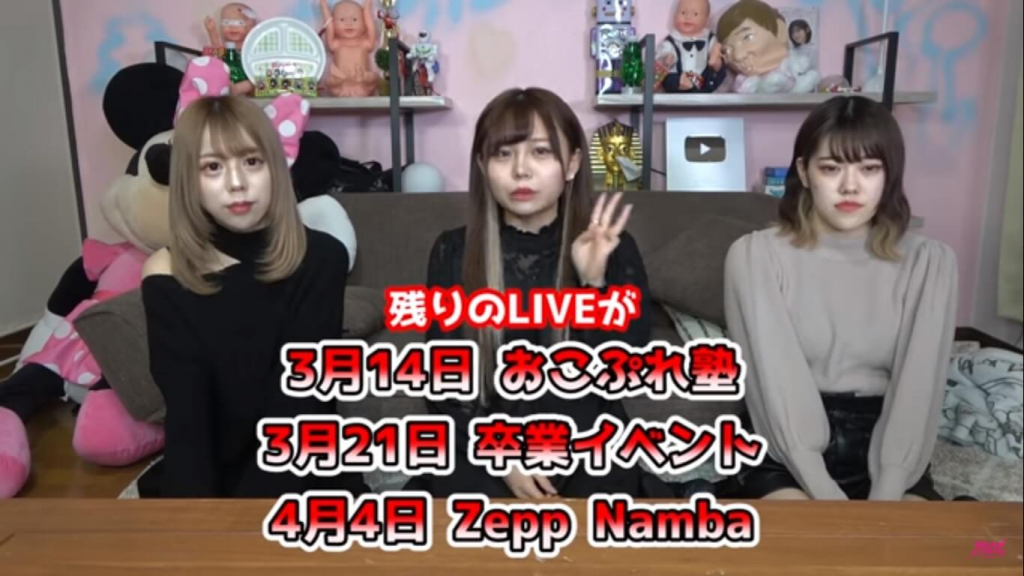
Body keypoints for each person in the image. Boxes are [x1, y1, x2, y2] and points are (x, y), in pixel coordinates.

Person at [405, 87, 708, 499]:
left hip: (585, 442)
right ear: (482, 165)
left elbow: (623, 372)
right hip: (485, 446)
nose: (521, 171)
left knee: (600, 516)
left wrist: (593, 284)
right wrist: (502, 456)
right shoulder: (453, 251)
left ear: (573, 164)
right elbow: (443, 381)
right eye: (503, 154)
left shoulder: (614, 248)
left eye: (541, 152)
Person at [719, 95, 957, 501]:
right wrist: (827, 497)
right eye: (831, 168)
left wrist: (889, 490)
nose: (850, 186)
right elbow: (774, 385)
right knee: (808, 538)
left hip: (889, 440)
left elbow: (918, 391)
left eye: (869, 169)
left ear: (889, 175)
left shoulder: (930, 262)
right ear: (804, 172)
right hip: (782, 443)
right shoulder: (755, 256)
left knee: (909, 539)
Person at [138, 93, 369, 498]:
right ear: (189, 179)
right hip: (210, 479)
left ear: (274, 167)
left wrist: (254, 523)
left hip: (305, 477)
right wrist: (193, 523)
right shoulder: (164, 272)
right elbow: (187, 417)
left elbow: (302, 408)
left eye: (251, 162)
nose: (236, 184)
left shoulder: (322, 259)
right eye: (213, 167)